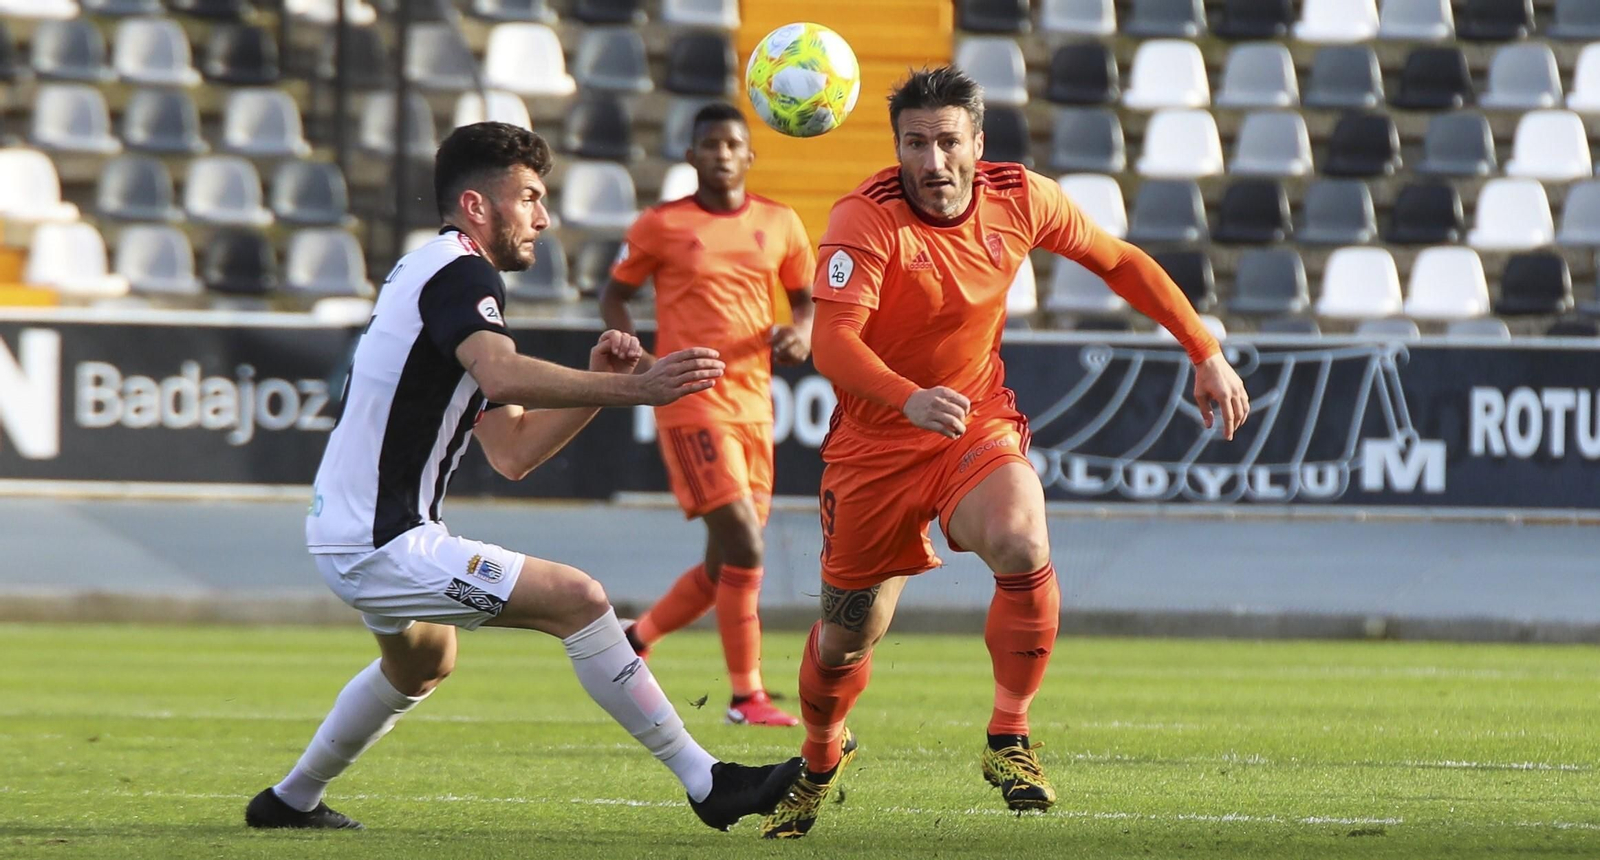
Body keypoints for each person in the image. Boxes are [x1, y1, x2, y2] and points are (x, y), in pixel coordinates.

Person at [244, 121, 800, 833]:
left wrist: (598, 385)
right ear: (477, 205)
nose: (544, 218)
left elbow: (512, 450)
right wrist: (641, 387)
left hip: (359, 531)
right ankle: (708, 781)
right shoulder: (461, 272)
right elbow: (503, 373)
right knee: (579, 598)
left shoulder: (434, 274)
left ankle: (289, 800)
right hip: (379, 538)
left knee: (422, 663)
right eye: (531, 197)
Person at [760, 68, 1251, 839]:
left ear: (977, 143)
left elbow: (1118, 261)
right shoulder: (865, 217)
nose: (932, 161)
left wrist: (1204, 348)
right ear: (897, 148)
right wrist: (906, 397)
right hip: (875, 447)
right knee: (847, 636)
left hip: (971, 422)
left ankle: (1009, 735)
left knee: (1023, 540)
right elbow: (834, 343)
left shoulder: (1021, 196)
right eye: (914, 144)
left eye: (947, 141)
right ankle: (820, 760)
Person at [600, 103, 816, 728]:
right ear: (691, 156)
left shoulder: (780, 222)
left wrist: (801, 334)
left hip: (754, 406)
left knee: (726, 562)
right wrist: (636, 355)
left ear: (750, 155)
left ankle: (635, 639)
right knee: (746, 542)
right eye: (710, 144)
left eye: (732, 144)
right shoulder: (661, 224)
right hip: (692, 401)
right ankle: (746, 697)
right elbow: (614, 294)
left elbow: (806, 302)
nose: (722, 154)